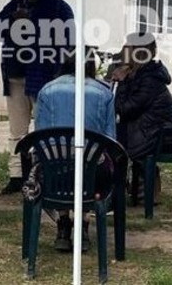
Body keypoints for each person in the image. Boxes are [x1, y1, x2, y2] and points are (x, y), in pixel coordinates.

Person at [0, 0, 74, 195]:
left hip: (45, 78)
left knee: (44, 129)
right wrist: (12, 22)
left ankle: (42, 172)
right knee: (17, 131)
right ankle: (16, 175)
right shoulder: (15, 5)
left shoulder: (59, 8)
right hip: (15, 77)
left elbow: (68, 41)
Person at [34, 47, 116, 252]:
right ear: (92, 66)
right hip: (92, 175)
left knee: (56, 161)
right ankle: (84, 225)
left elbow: (40, 136)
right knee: (97, 164)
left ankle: (63, 224)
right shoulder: (104, 93)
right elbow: (110, 139)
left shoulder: (46, 90)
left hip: (54, 174)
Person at [112, 32, 172, 203]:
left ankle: (116, 192)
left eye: (127, 47)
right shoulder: (142, 74)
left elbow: (125, 109)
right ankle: (125, 188)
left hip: (162, 136)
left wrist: (120, 82)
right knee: (112, 137)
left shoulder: (150, 78)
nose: (122, 51)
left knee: (112, 143)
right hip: (150, 129)